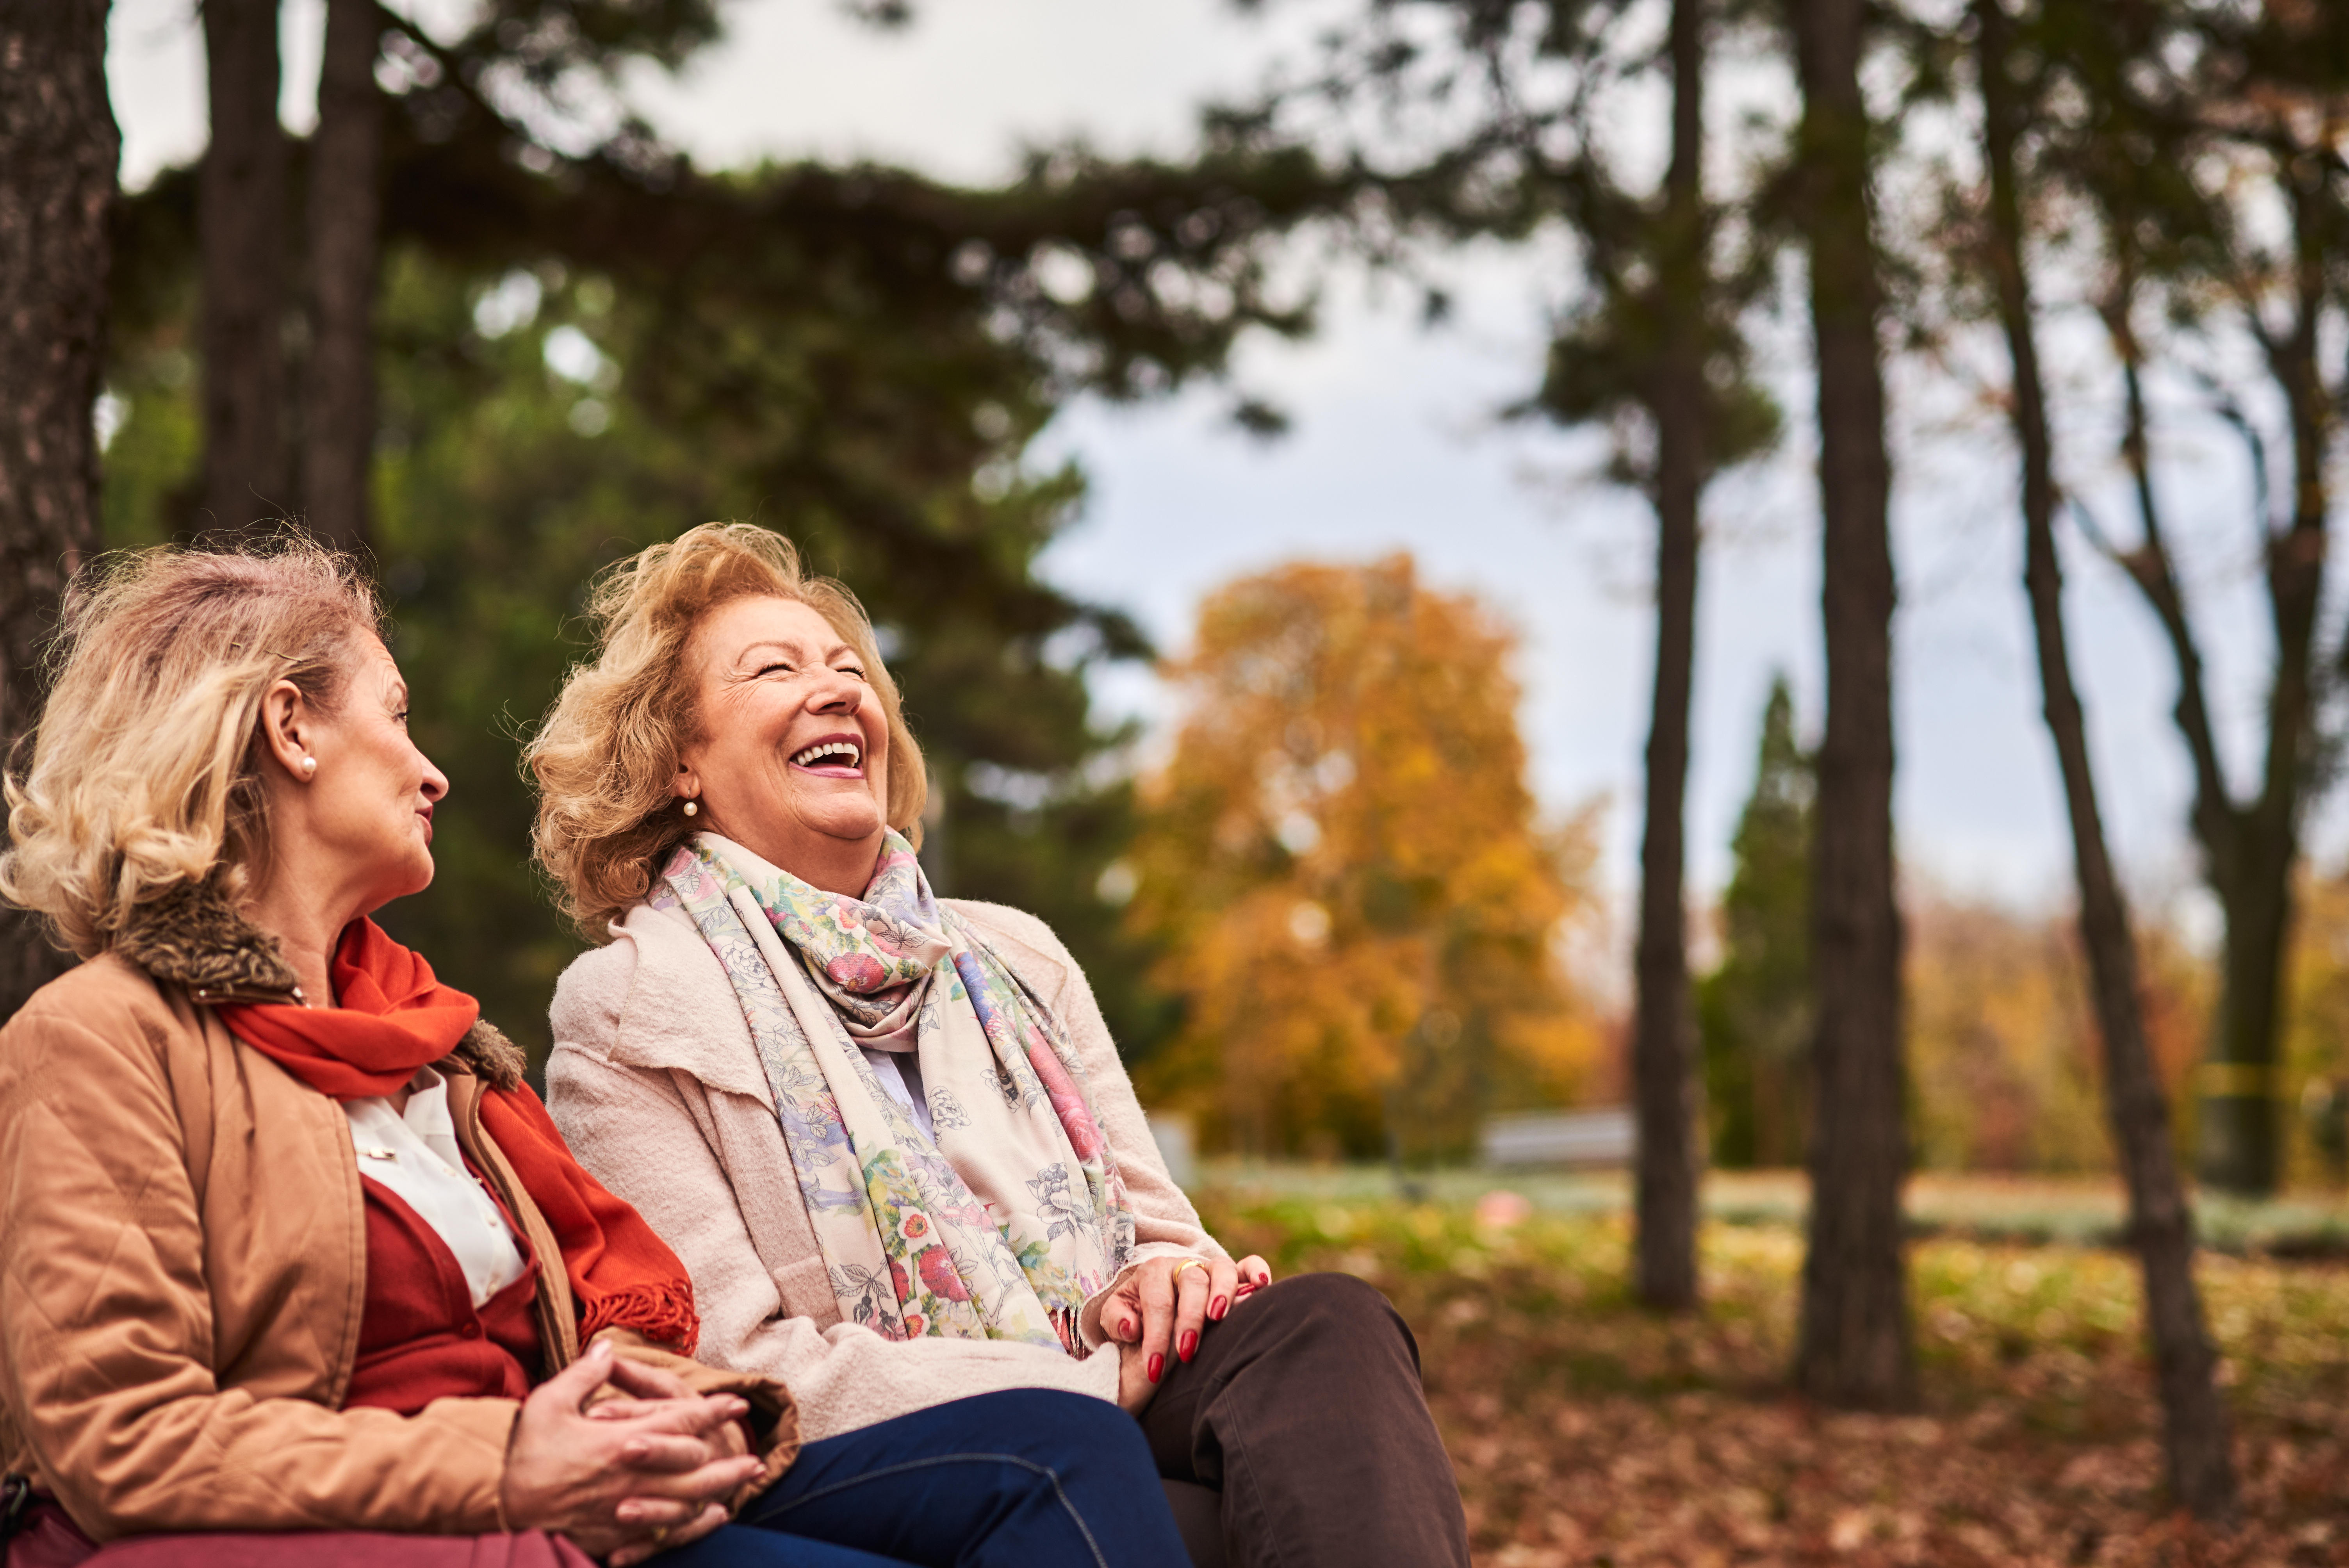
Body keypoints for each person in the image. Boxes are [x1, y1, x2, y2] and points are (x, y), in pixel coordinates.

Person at [0, 540, 1188, 1568]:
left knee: (1073, 1443)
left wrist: (667, 1425)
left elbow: (613, 1324)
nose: (434, 770)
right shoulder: (99, 1043)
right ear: (290, 728)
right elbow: (121, 1436)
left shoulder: (443, 1061)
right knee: (1055, 1452)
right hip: (424, 1521)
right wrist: (514, 1458)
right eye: (398, 714)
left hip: (573, 1509)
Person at [529, 523, 1472, 1568]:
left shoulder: (1018, 955)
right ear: (679, 763)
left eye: (852, 672)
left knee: (1326, 1324)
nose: (841, 693)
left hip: (1111, 1374)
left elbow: (1165, 1232)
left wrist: (1163, 1276)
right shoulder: (630, 1012)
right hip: (896, 1442)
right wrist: (1080, 1381)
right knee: (1090, 1458)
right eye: (776, 671)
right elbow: (732, 1363)